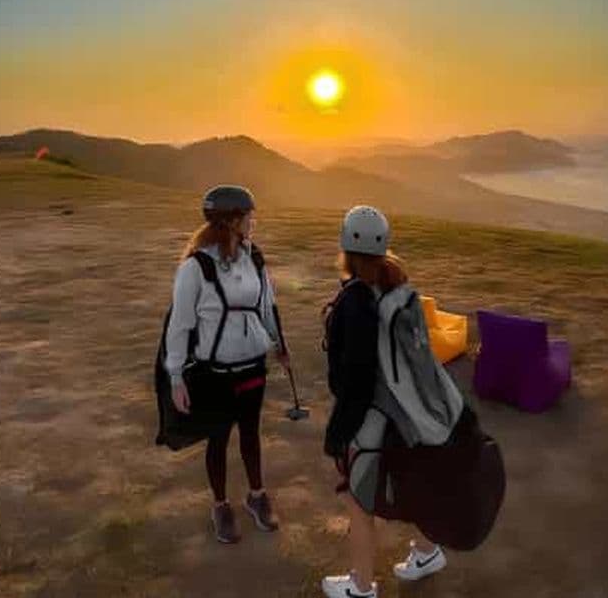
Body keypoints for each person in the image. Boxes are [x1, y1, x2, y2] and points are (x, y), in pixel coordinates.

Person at [320, 205, 457, 598]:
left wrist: (337, 435)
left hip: (373, 417)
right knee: (407, 486)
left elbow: (356, 382)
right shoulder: (395, 286)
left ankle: (361, 587)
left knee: (359, 501)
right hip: (405, 412)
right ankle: (428, 553)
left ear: (345, 246)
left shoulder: (355, 302)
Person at [164, 184, 290, 544]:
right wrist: (176, 377)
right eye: (249, 216)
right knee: (217, 439)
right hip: (215, 373)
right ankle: (220, 505)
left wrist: (279, 345)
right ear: (232, 220)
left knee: (251, 432)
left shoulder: (255, 258)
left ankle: (257, 496)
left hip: (253, 366)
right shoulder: (195, 267)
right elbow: (180, 324)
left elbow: (266, 306)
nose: (253, 221)